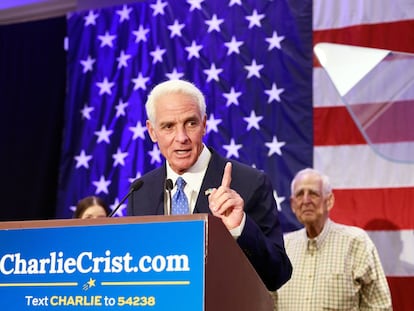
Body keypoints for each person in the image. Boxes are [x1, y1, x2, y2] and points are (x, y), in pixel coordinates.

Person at [127, 79, 292, 291]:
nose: (182, 137)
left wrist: (239, 227)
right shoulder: (140, 191)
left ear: (204, 124)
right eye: (168, 126)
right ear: (152, 131)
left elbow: (277, 275)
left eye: (191, 123)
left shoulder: (250, 183)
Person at [276, 168, 392, 310]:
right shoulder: (284, 247)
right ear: (293, 205)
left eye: (313, 193)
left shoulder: (356, 242)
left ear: (329, 201)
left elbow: (379, 307)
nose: (306, 201)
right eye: (300, 194)